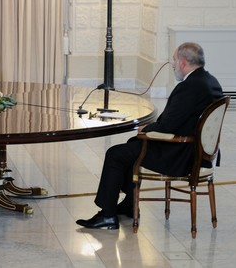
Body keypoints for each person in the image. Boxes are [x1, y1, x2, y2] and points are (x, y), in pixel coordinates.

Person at [76, 42, 223, 230]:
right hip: (198, 153)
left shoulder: (189, 87)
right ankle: (129, 205)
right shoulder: (210, 82)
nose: (172, 65)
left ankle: (107, 214)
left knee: (115, 154)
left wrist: (146, 128)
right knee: (132, 144)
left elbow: (168, 125)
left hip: (179, 155)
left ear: (184, 62)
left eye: (174, 60)